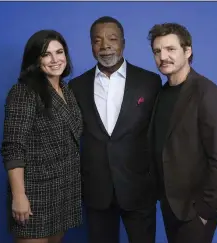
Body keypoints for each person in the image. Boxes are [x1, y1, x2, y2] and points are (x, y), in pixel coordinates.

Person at [69, 16, 162, 243]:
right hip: (96, 189)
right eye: (97, 40)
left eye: (112, 38)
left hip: (139, 188)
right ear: (91, 45)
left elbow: (159, 134)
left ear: (123, 43)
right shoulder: (76, 86)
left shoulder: (150, 82)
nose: (105, 46)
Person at [147, 22, 217, 243]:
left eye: (170, 49)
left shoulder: (209, 94)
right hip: (170, 203)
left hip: (196, 208)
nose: (163, 57)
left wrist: (206, 211)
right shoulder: (161, 93)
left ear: (188, 51)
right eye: (157, 51)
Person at [0, 30, 83, 243]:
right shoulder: (24, 92)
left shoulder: (67, 89)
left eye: (59, 52)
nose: (55, 59)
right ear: (35, 60)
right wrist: (19, 196)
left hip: (64, 188)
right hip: (34, 192)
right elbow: (13, 147)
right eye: (46, 54)